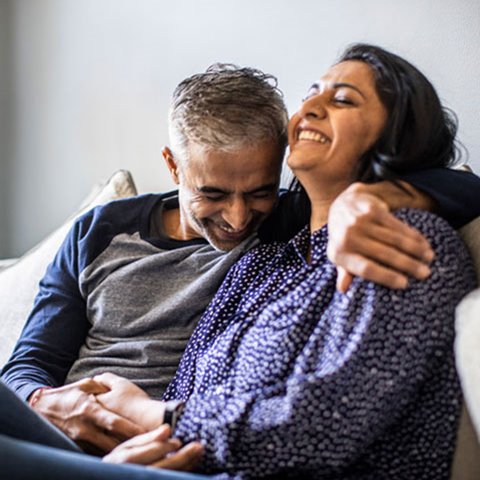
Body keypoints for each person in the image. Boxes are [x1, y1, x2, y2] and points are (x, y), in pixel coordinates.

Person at [1, 55, 479, 469]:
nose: (236, 218)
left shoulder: (286, 229)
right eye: (212, 193)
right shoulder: (104, 230)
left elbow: (461, 185)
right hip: (67, 426)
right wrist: (47, 404)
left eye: (260, 191)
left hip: (159, 449)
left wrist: (379, 195)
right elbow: (29, 364)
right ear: (173, 166)